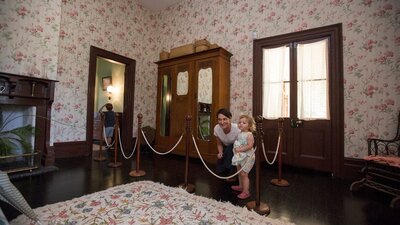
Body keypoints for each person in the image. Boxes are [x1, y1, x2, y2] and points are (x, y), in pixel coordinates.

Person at [231, 115, 256, 199]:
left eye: (244, 123)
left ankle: (246, 191)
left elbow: (249, 146)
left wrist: (240, 149)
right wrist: (235, 149)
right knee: (239, 172)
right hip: (240, 156)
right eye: (239, 122)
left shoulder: (249, 135)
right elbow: (237, 143)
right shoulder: (240, 134)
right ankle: (241, 186)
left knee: (244, 174)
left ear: (249, 125)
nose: (241, 124)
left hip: (247, 157)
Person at [214, 108, 241, 181]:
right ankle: (228, 169)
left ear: (230, 119)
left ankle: (234, 173)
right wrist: (220, 152)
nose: (222, 122)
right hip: (226, 147)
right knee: (220, 171)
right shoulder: (216, 128)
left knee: (230, 148)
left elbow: (242, 144)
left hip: (237, 149)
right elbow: (219, 144)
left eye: (225, 119)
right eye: (219, 119)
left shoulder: (237, 129)